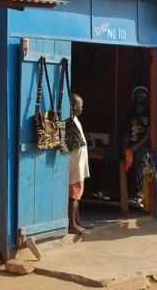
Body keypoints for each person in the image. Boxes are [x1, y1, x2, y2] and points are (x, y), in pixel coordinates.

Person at [123, 85, 152, 208]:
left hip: (144, 144)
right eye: (137, 95)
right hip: (131, 144)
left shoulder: (150, 113)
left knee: (140, 158)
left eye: (142, 95)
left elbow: (149, 134)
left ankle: (139, 195)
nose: (139, 98)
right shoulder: (129, 114)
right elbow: (125, 133)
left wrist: (136, 147)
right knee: (110, 153)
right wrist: (124, 148)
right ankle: (105, 190)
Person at [68, 93, 92, 235]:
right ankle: (72, 225)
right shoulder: (69, 121)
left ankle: (78, 221)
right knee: (73, 196)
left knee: (77, 195)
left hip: (79, 164)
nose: (82, 108)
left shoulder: (75, 119)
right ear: (74, 106)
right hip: (74, 164)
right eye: (80, 105)